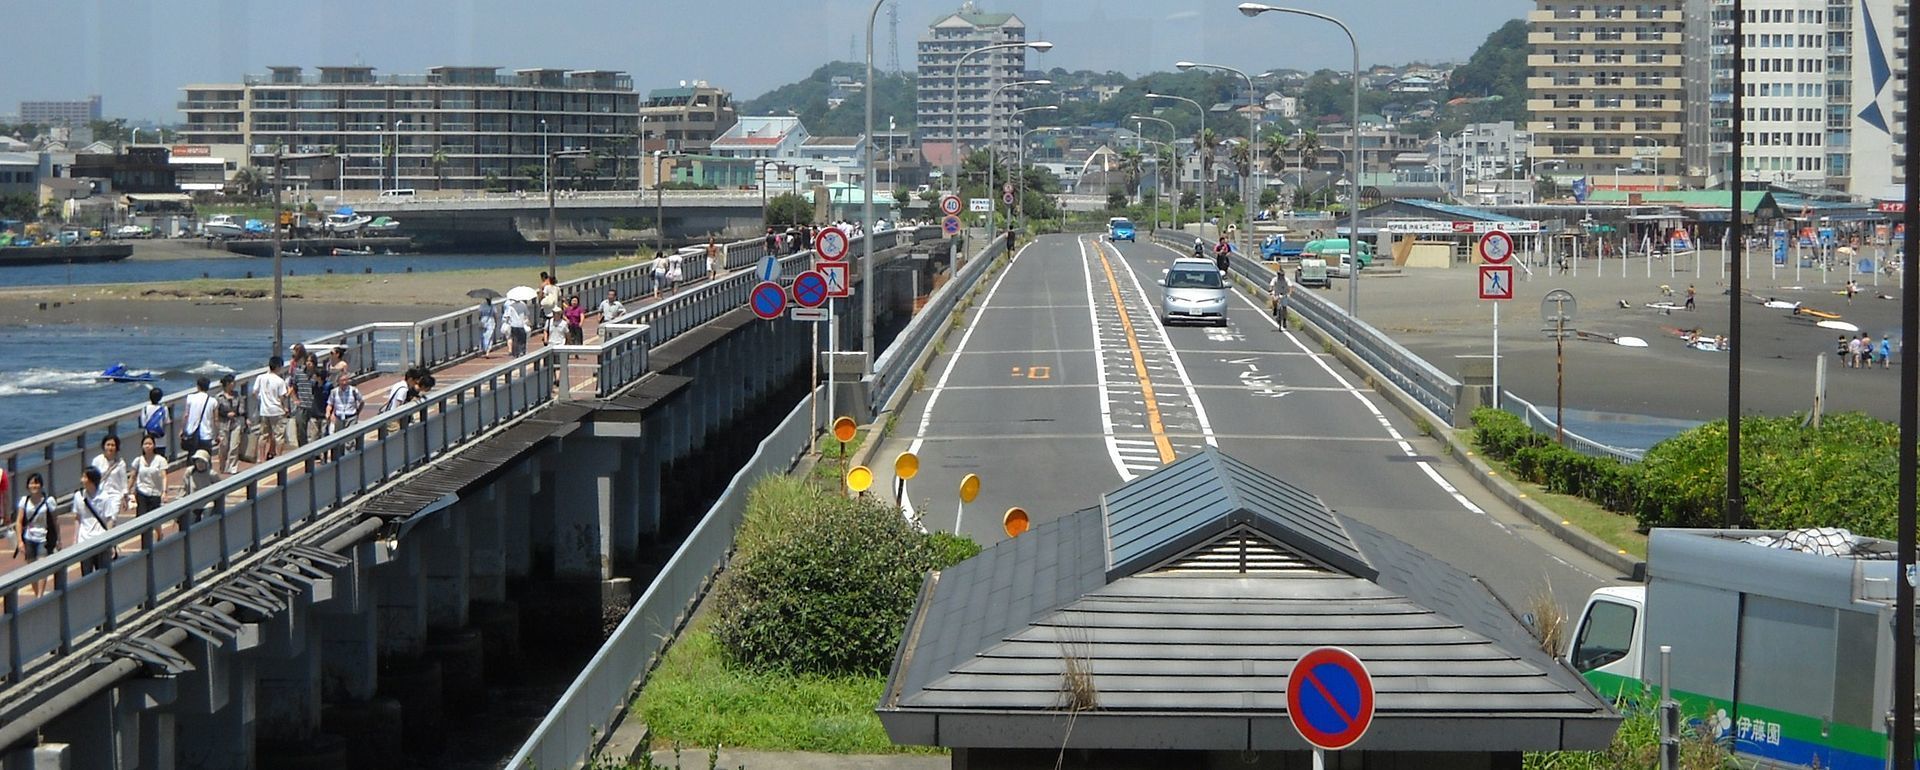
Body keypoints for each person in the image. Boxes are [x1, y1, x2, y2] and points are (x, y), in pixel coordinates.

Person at [13, 473, 53, 594]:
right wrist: (19, 541)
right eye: (31, 483)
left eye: (36, 483)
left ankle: (40, 595)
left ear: (41, 485)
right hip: (29, 538)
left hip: (43, 537)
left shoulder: (48, 501)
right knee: (31, 568)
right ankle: (37, 593)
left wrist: (58, 540)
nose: (34, 486)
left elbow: (54, 522)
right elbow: (19, 522)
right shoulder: (24, 501)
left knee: (42, 566)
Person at [73, 466, 112, 575]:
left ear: (92, 480)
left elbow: (109, 519)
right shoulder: (78, 496)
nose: (82, 480)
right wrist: (75, 539)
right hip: (84, 539)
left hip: (101, 538)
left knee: (102, 573)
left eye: (85, 477)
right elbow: (77, 518)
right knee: (86, 574)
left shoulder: (104, 497)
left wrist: (110, 540)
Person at [254, 355, 290, 461]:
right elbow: (282, 397)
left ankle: (261, 458)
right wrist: (285, 407)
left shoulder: (261, 378)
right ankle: (278, 458)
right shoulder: (280, 381)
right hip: (277, 410)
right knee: (279, 435)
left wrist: (262, 399)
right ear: (278, 367)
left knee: (263, 435)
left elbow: (254, 392)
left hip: (264, 410)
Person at [89, 434, 130, 517]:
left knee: (112, 519)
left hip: (115, 495)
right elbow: (92, 479)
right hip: (100, 495)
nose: (110, 448)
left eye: (113, 445)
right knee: (101, 519)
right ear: (104, 446)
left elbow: (124, 482)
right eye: (108, 445)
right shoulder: (97, 460)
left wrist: (125, 497)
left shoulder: (120, 463)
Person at [287, 349, 320, 447]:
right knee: (301, 430)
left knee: (315, 431)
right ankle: (303, 450)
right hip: (302, 405)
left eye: (311, 362)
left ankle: (315, 451)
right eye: (308, 361)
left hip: (315, 406)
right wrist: (295, 399)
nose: (309, 364)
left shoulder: (317, 374)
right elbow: (291, 386)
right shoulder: (298, 372)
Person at [131, 433, 168, 515]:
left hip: (155, 493)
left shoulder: (160, 460)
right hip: (142, 492)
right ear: (142, 446)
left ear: (154, 446)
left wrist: (164, 492)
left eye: (150, 444)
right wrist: (127, 492)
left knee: (155, 520)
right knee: (141, 518)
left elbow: (164, 476)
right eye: (145, 444)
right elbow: (132, 476)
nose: (147, 446)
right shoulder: (138, 460)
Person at [216, 373, 245, 475]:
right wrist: (226, 414)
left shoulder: (237, 395)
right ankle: (222, 466)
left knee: (234, 446)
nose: (234, 384)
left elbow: (241, 409)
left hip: (235, 423)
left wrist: (239, 415)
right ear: (227, 384)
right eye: (232, 382)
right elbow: (216, 411)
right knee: (223, 446)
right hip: (223, 424)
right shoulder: (219, 397)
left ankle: (232, 467)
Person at [180, 376, 216, 456]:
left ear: (198, 386)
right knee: (206, 457)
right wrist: (217, 434)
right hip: (206, 434)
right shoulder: (213, 401)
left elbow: (186, 415)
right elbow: (215, 419)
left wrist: (182, 430)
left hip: (191, 433)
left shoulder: (190, 397)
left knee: (192, 457)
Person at [182, 450, 218, 521]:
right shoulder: (190, 472)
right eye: (198, 461)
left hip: (207, 503)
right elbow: (185, 488)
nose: (200, 464)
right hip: (193, 503)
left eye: (202, 461)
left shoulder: (212, 474)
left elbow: (220, 488)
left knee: (206, 519)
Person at [138, 387, 170, 454]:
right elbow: (166, 422)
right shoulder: (164, 408)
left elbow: (143, 424)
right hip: (161, 440)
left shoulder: (145, 409)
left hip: (148, 441)